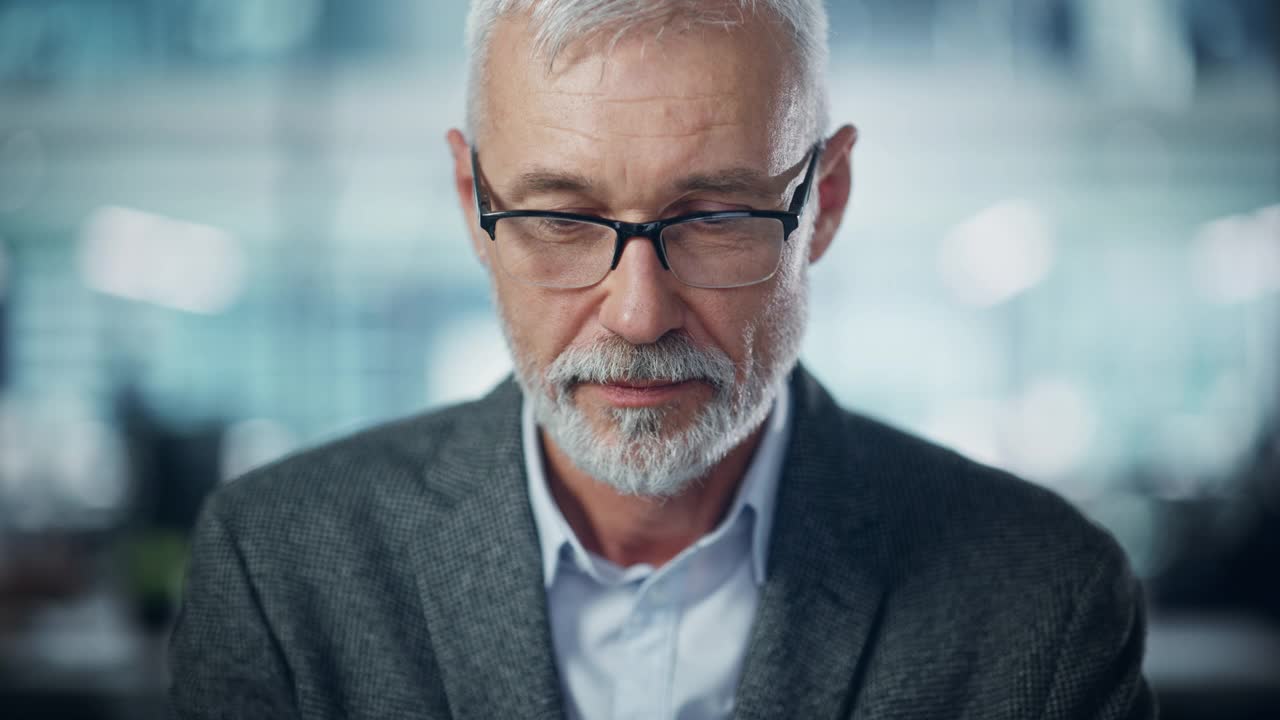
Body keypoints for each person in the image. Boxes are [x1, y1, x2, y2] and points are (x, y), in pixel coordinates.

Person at [168, 1, 1155, 718]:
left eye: (718, 216)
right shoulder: (279, 569)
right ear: (472, 199)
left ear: (829, 199)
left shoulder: (1040, 599)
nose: (637, 314)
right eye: (558, 216)